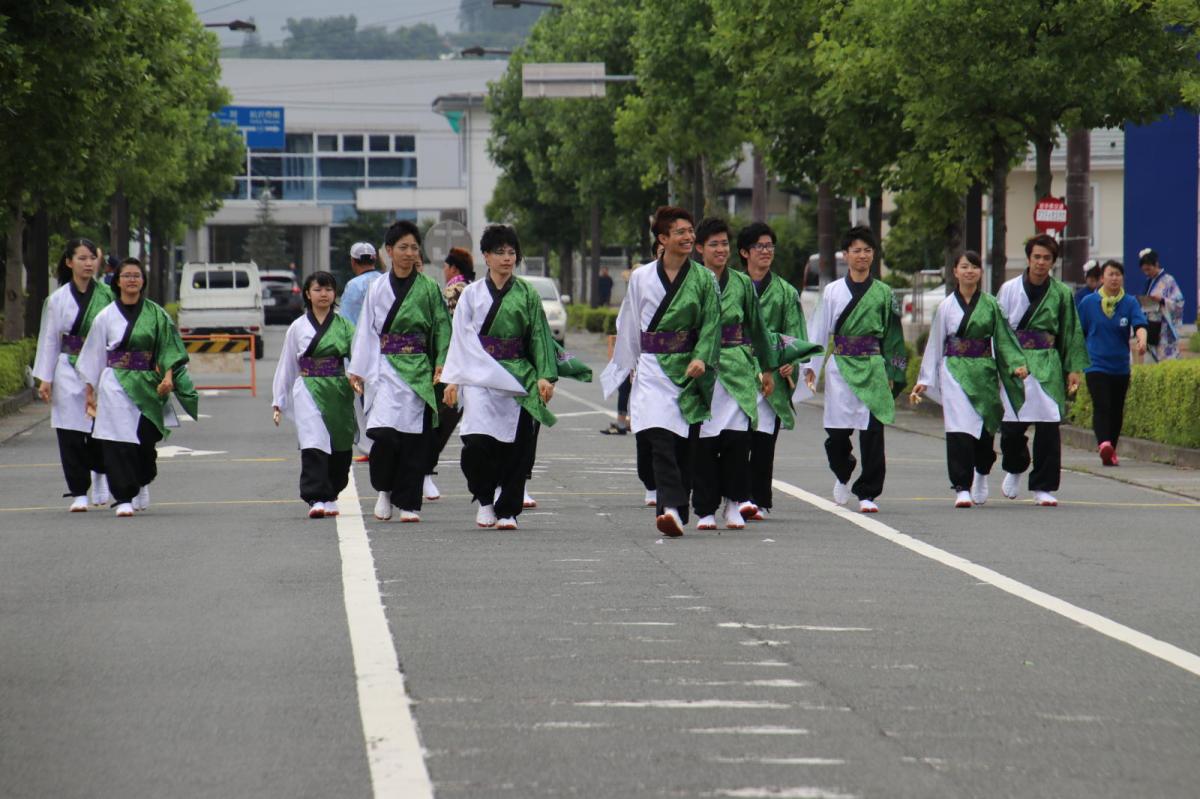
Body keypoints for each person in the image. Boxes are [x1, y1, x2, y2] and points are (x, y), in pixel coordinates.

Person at [601, 206, 720, 537]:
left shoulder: (705, 279)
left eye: (689, 231)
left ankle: (679, 509)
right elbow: (629, 321)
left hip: (689, 369)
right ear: (663, 239)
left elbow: (712, 323)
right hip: (652, 367)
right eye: (679, 232)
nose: (688, 237)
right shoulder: (641, 277)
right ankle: (667, 507)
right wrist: (627, 363)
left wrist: (702, 358)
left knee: (684, 446)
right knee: (659, 439)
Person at [441, 224, 558, 530]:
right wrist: (453, 378)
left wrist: (545, 376)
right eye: (499, 252)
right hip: (479, 376)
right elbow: (459, 338)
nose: (507, 258)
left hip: (517, 377)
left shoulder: (528, 294)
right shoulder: (471, 295)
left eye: (511, 252)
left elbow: (539, 337)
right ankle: (484, 500)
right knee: (477, 443)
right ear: (486, 257)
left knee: (517, 448)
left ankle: (507, 510)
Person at [77, 258, 198, 518]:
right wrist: (90, 391)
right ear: (117, 281)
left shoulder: (157, 314)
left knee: (145, 441)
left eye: (137, 275)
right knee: (118, 442)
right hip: (115, 383)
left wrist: (168, 377)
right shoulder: (105, 316)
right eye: (127, 275)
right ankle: (123, 497)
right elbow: (93, 355)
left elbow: (167, 348)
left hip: (148, 384)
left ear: (143, 281)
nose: (132, 280)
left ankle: (142, 481)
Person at [348, 221, 451, 524]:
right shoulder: (377, 287)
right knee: (385, 436)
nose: (409, 253)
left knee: (414, 442)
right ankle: (384, 491)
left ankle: (409, 503)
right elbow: (367, 330)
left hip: (418, 370)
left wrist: (441, 362)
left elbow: (443, 327)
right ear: (389, 251)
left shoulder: (429, 288)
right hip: (384, 369)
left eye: (414, 248)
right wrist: (358, 369)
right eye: (402, 247)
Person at [801, 226, 907, 514]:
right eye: (857, 250)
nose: (862, 256)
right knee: (837, 433)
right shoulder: (833, 292)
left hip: (873, 366)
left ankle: (868, 492)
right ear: (846, 255)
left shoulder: (884, 293)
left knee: (872, 432)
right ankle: (843, 470)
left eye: (868, 250)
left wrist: (893, 372)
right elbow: (820, 330)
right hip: (841, 367)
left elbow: (894, 336)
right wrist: (812, 366)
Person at [911, 251, 1029, 508]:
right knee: (958, 430)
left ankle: (981, 473)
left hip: (984, 371)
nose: (969, 271)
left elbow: (1004, 339)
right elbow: (935, 343)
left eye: (974, 267)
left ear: (980, 272)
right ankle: (961, 487)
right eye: (964, 266)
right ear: (955, 271)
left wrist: (1016, 365)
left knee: (985, 430)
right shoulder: (945, 307)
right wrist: (925, 378)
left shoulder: (991, 305)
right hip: (954, 372)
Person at [691, 217, 775, 531]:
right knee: (705, 444)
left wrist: (766, 367)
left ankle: (734, 504)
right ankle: (704, 509)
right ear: (699, 248)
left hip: (739, 367)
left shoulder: (741, 284)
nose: (721, 249)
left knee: (738, 442)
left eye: (725, 243)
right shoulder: (693, 281)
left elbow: (758, 328)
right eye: (713, 244)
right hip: (704, 369)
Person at [996, 234, 1089, 507]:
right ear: (1028, 258)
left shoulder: (1061, 293)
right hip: (1016, 363)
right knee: (1012, 427)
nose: (1040, 262)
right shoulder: (1009, 289)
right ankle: (1015, 467)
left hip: (1047, 363)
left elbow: (1071, 331)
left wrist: (1072, 368)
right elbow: (999, 329)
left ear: (1053, 262)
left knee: (1048, 426)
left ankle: (1043, 486)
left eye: (1046, 258)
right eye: (1036, 257)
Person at [741, 221, 820, 519]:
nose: (766, 252)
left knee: (763, 439)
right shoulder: (734, 286)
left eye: (770, 246)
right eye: (760, 246)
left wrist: (791, 360)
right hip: (738, 370)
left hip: (771, 374)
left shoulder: (786, 292)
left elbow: (794, 335)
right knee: (736, 439)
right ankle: (735, 495)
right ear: (744, 252)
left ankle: (758, 499)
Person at [32, 238, 115, 511]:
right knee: (69, 433)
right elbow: (49, 339)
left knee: (99, 429)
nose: (88, 263)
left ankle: (100, 473)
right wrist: (45, 377)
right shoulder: (56, 300)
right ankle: (78, 491)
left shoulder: (106, 296)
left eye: (92, 257)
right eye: (81, 258)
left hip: (99, 369)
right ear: (69, 262)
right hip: (68, 369)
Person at [272, 272, 357, 518]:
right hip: (308, 388)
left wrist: (358, 378)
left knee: (340, 446)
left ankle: (331, 493)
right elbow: (287, 364)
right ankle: (315, 497)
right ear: (308, 294)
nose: (324, 294)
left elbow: (359, 356)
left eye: (329, 289)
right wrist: (279, 400)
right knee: (313, 441)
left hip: (339, 390)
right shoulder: (298, 327)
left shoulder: (344, 325)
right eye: (318, 289)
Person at [1077, 260, 1148, 466]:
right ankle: (1104, 443)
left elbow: (1140, 324)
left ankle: (1111, 450)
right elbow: (1078, 333)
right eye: (1110, 274)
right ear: (1102, 278)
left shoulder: (1129, 302)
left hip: (1120, 366)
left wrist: (1141, 339)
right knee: (1102, 405)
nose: (1114, 278)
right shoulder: (1088, 303)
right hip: (1095, 364)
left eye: (1118, 274)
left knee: (1117, 409)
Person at [423, 247, 476, 501]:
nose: (444, 271)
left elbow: (443, 330)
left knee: (440, 421)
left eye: (445, 266)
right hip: (474, 365)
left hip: (453, 365)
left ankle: (424, 472)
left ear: (453, 268)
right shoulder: (476, 290)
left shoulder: (452, 292)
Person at [338, 241, 382, 463]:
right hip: (388, 352)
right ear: (374, 259)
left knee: (361, 402)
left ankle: (370, 446)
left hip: (361, 351)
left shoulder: (353, 286)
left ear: (353, 262)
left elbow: (346, 323)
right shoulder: (386, 281)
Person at [1138, 248, 1185, 362]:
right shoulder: (1149, 281)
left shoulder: (1168, 280)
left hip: (1163, 326)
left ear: (1156, 264)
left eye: (1149, 269)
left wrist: (1162, 300)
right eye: (1144, 271)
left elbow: (1179, 301)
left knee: (1166, 360)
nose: (1147, 273)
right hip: (1151, 325)